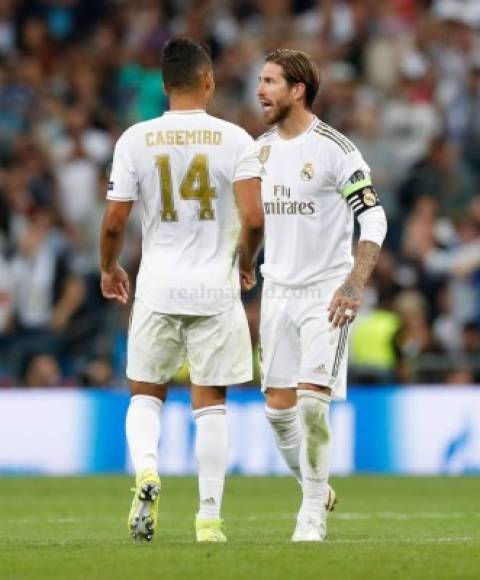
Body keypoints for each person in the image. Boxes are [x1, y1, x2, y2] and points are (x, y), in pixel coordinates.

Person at [100, 38, 263, 543]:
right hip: (214, 290)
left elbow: (114, 221)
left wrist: (109, 267)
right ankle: (209, 518)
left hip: (157, 287)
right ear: (208, 81)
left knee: (146, 392)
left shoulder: (134, 139)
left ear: (165, 85)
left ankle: (146, 469)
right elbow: (255, 218)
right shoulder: (236, 139)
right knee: (210, 402)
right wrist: (245, 261)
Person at [253, 49, 387, 541]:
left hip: (324, 295)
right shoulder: (260, 149)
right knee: (277, 411)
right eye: (260, 81)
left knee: (312, 405)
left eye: (269, 81)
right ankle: (317, 486)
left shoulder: (336, 149)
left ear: (297, 90)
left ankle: (311, 513)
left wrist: (354, 282)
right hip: (277, 292)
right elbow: (252, 221)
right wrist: (244, 263)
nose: (260, 90)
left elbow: (374, 217)